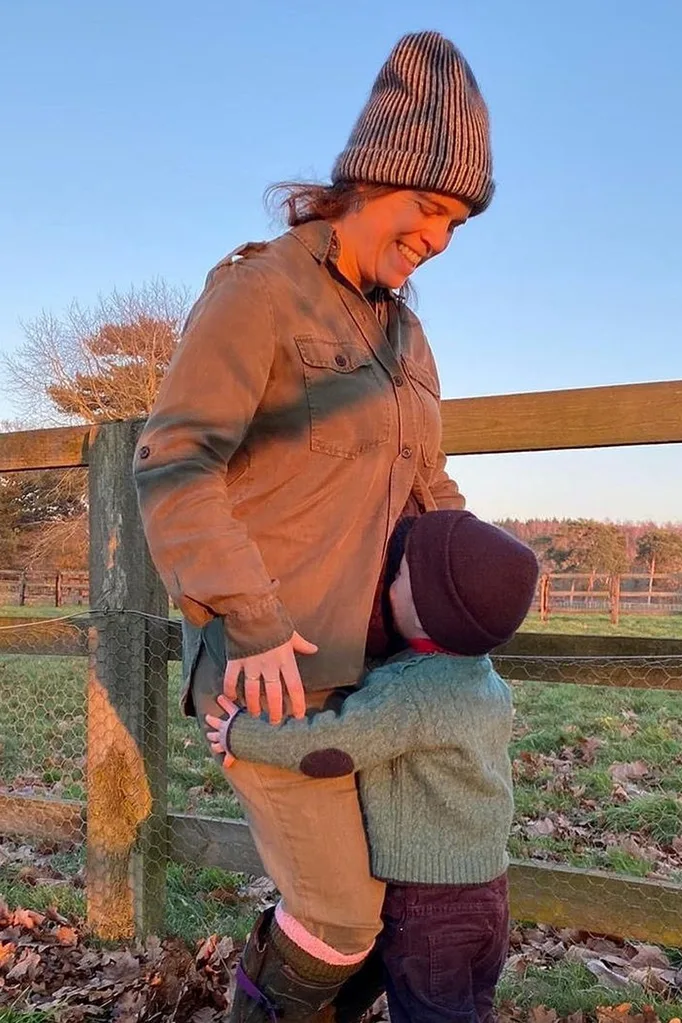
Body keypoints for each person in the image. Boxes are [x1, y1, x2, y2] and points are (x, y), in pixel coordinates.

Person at [134, 29, 494, 1023]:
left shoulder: (406, 336)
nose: (440, 240)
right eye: (429, 208)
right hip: (272, 673)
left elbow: (430, 488)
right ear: (369, 179)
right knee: (341, 917)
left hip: (386, 683)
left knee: (401, 910)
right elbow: (173, 462)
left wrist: (485, 579)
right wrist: (247, 617)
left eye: (460, 223)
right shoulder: (258, 296)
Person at [206, 510, 539, 1023]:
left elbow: (330, 748)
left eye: (400, 575)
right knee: (470, 1011)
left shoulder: (408, 694)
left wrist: (242, 733)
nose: (389, 583)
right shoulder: (485, 680)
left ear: (430, 610)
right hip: (489, 898)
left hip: (428, 908)